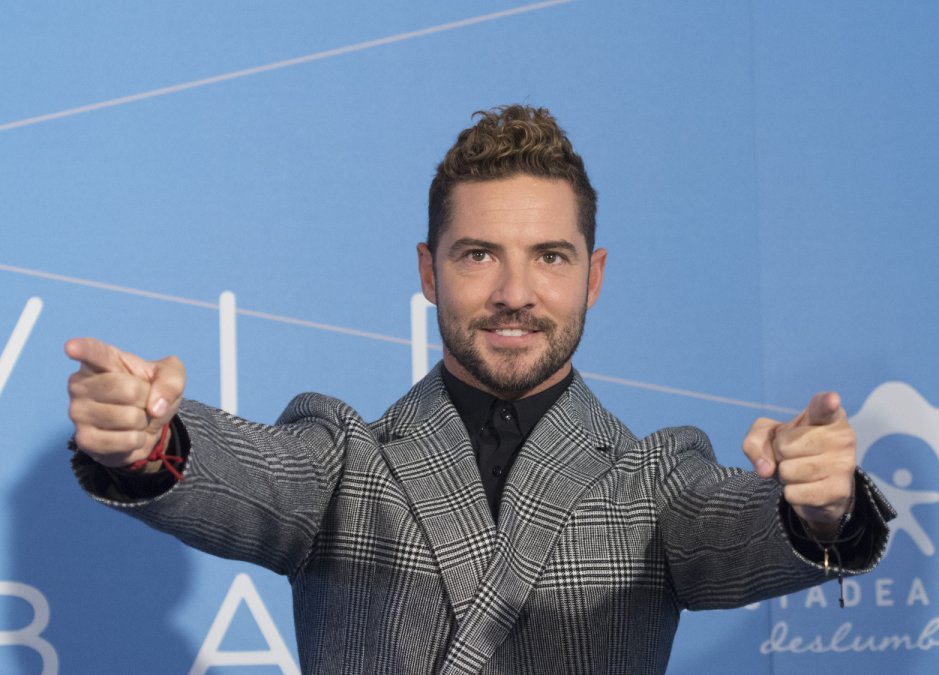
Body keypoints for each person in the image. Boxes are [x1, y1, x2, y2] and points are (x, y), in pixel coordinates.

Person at [66, 105, 894, 674]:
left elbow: (735, 527)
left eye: (550, 256)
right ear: (429, 270)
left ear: (593, 277)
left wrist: (817, 506)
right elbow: (256, 477)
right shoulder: (344, 458)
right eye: (478, 254)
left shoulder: (657, 477)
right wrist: (153, 443)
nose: (514, 292)